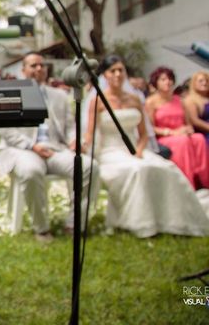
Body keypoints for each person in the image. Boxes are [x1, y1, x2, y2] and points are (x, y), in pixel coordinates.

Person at [84, 55, 209, 238]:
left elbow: (143, 134)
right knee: (138, 170)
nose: (118, 74)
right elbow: (91, 133)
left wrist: (140, 150)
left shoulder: (134, 99)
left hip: (136, 149)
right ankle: (140, 223)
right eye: (113, 71)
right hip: (111, 151)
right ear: (105, 75)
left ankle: (173, 219)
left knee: (168, 168)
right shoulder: (98, 101)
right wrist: (84, 145)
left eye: (121, 70)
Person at [0, 52, 99, 242]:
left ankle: (75, 223)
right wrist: (32, 146)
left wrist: (73, 141)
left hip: (55, 149)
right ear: (23, 70)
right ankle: (41, 228)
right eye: (33, 65)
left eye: (41, 65)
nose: (39, 69)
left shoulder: (59, 95)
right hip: (23, 150)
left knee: (88, 167)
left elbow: (70, 126)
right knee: (30, 171)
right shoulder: (11, 93)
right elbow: (5, 131)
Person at [144, 67, 209, 189]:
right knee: (182, 141)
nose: (167, 82)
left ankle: (204, 181)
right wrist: (172, 132)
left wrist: (188, 129)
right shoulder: (150, 102)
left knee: (199, 138)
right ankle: (187, 183)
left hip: (182, 133)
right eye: (163, 79)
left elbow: (188, 122)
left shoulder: (179, 100)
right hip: (165, 137)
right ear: (156, 82)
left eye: (169, 79)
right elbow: (151, 128)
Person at [183, 70, 209, 148]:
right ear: (194, 83)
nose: (204, 83)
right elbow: (195, 121)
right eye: (201, 81)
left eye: (206, 81)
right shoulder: (190, 100)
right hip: (203, 133)